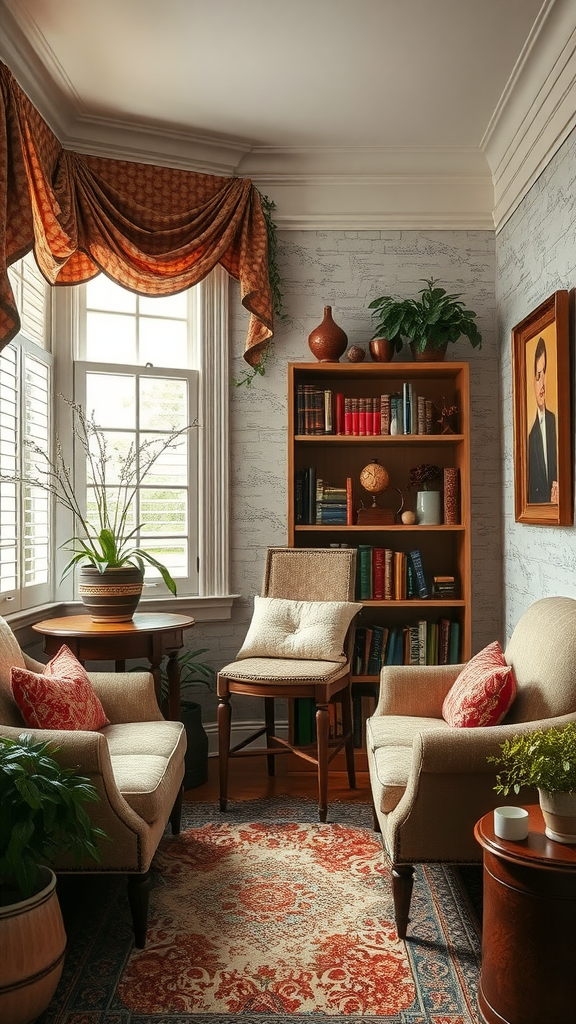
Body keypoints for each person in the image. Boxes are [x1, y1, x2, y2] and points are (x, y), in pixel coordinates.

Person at [528, 336, 558, 504]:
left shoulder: (554, 422)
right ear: (532, 381)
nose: (543, 383)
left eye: (545, 372)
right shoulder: (531, 436)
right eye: (539, 375)